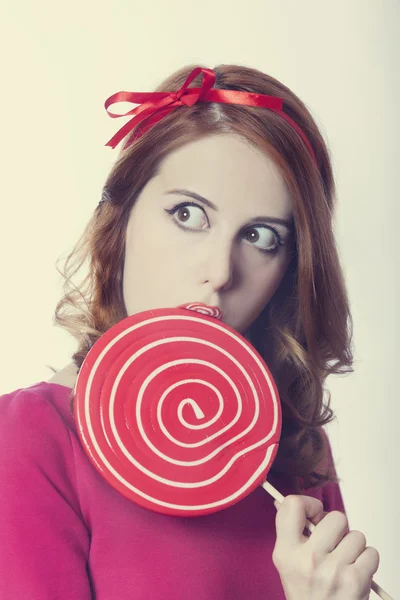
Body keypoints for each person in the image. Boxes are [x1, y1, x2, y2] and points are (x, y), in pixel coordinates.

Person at [0, 64, 380, 599]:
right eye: (187, 213)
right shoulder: (29, 439)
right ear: (122, 217)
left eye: (261, 236)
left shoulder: (295, 439)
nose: (221, 272)